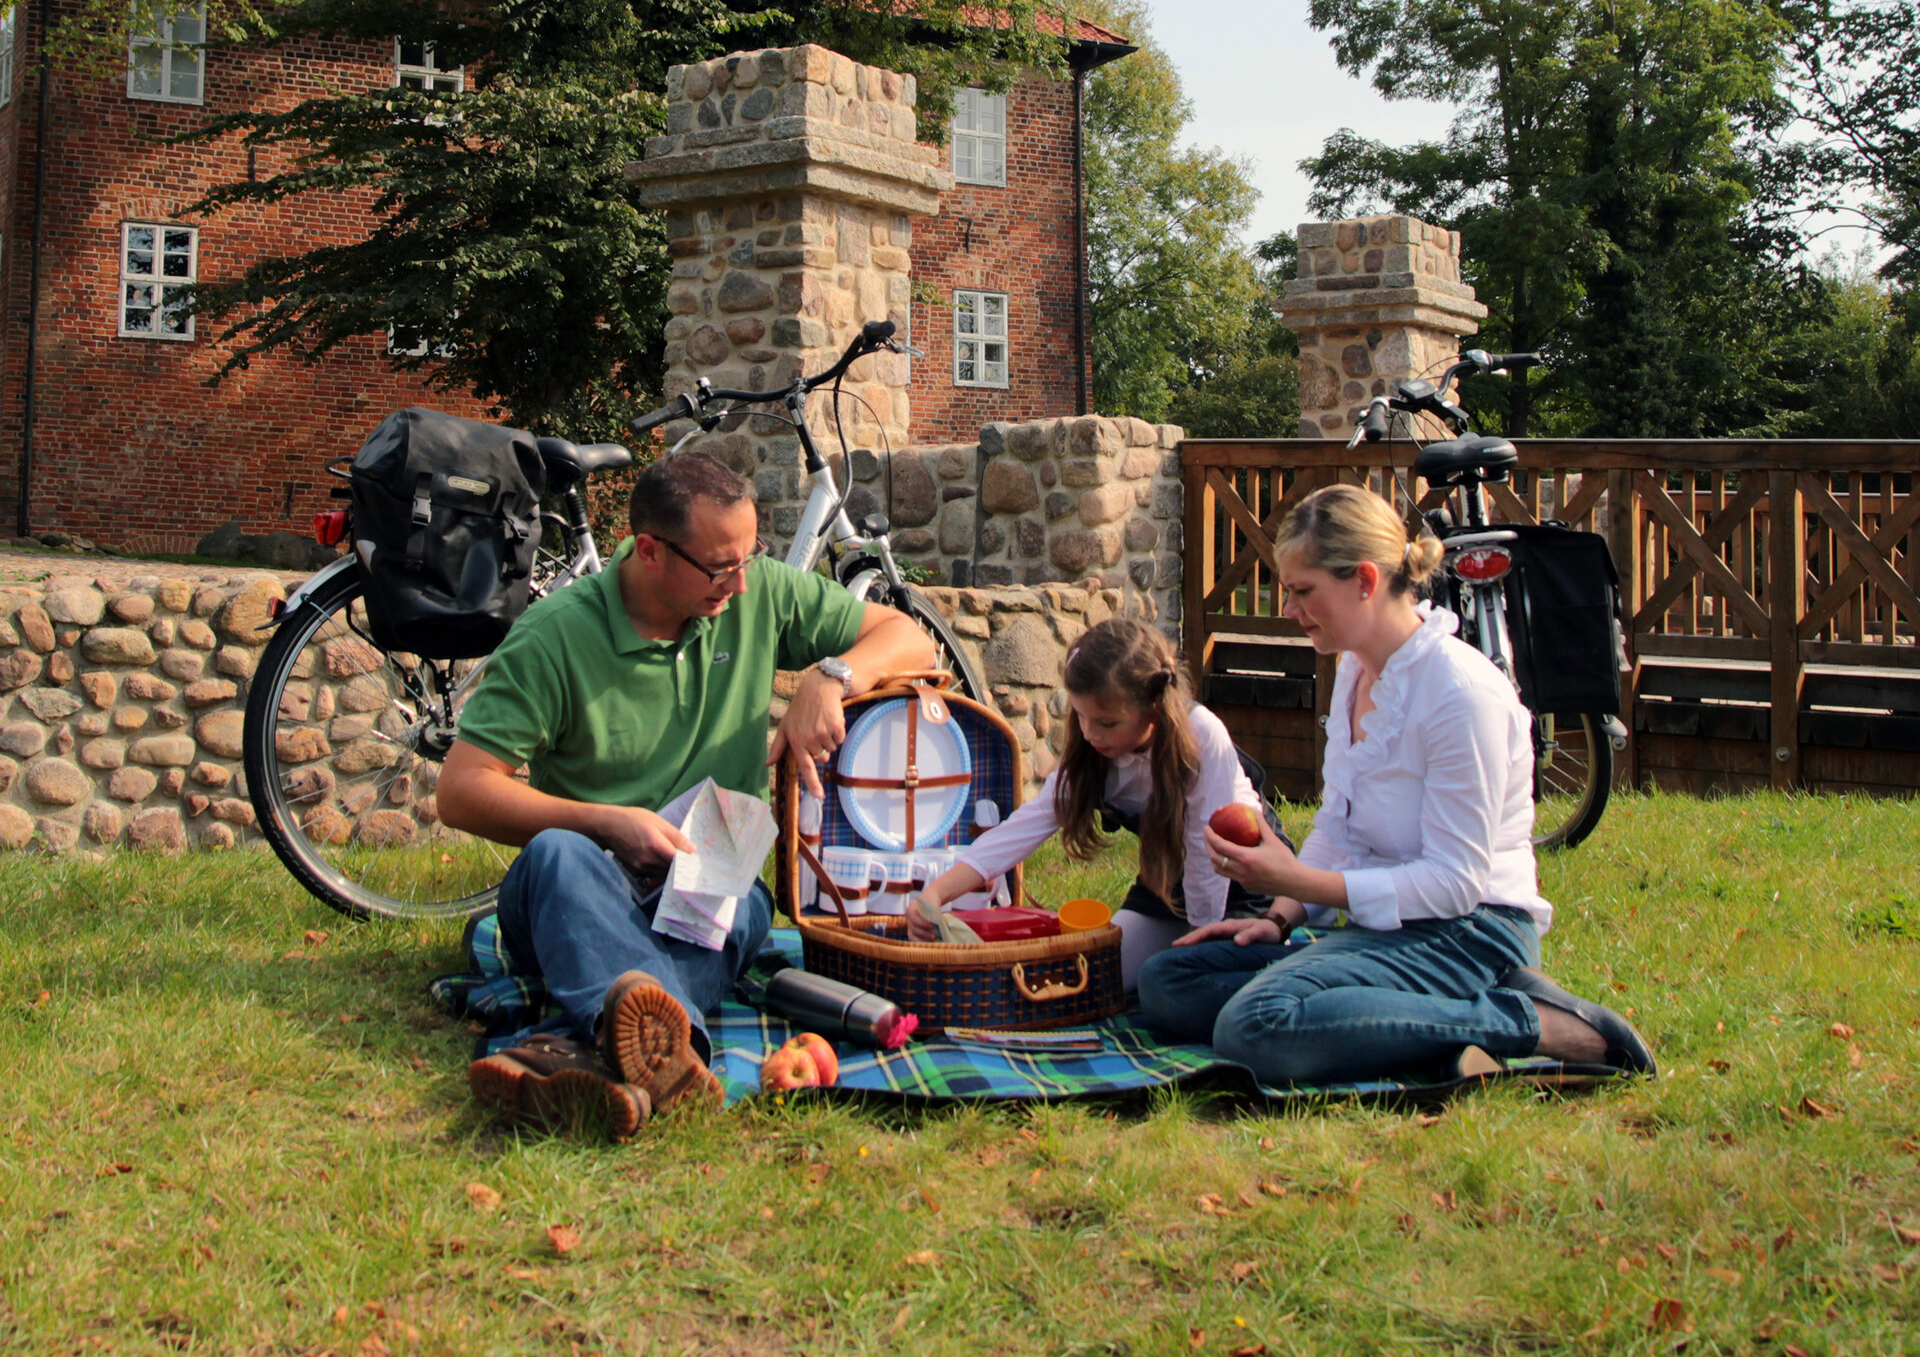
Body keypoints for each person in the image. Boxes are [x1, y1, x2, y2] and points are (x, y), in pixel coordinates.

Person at [438, 452, 935, 1136]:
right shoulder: (554, 636)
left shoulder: (757, 590)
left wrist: (832, 675)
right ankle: (657, 1043)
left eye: (749, 557)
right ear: (648, 550)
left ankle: (588, 1054)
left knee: (740, 900)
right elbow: (460, 791)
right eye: (718, 565)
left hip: (714, 875)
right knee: (556, 853)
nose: (739, 581)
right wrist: (608, 824)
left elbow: (910, 638)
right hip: (583, 884)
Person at [1137, 484, 1654, 1086]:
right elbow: (1336, 824)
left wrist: (1300, 880)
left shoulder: (1460, 693)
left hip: (1471, 930)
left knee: (1255, 1026)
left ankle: (1535, 1022)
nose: (1288, 609)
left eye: (1303, 591)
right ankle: (1387, 1015)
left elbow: (1456, 885)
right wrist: (1279, 916)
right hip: (1383, 928)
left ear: (1363, 580)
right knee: (1168, 981)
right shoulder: (1354, 669)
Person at [906, 616, 1294, 991]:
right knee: (1100, 978)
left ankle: (1281, 948)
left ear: (1153, 709)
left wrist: (1199, 939)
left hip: (1241, 877)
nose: (1090, 733)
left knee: (1176, 982)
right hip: (1168, 883)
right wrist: (937, 893)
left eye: (1107, 723)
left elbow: (1203, 846)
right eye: (1081, 716)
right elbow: (1025, 827)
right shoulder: (1093, 754)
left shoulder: (1201, 734)